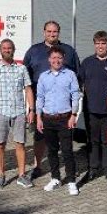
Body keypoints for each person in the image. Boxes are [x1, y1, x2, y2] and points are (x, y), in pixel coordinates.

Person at [24, 20, 80, 180]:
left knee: (65, 142)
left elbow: (77, 74)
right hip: (40, 103)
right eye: (49, 31)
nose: (51, 34)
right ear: (44, 32)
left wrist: (75, 108)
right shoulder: (34, 51)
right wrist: (32, 107)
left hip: (64, 106)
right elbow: (25, 75)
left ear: (59, 33)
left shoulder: (68, 51)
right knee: (39, 136)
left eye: (54, 32)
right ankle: (38, 165)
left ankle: (69, 169)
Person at [0, 39, 35, 189]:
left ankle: (22, 175)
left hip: (19, 112)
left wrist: (31, 109)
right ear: (0, 50)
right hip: (0, 112)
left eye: (9, 48)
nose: (7, 50)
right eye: (4, 48)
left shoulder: (21, 69)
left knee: (20, 144)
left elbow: (28, 90)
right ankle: (1, 175)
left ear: (13, 49)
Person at [79, 31, 107, 184]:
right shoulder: (87, 63)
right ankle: (93, 168)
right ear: (94, 44)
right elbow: (78, 84)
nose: (100, 46)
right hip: (90, 110)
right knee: (92, 141)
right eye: (97, 43)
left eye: (103, 43)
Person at [36, 46, 80, 196]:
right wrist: (38, 117)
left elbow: (75, 94)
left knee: (67, 151)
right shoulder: (43, 76)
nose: (56, 60)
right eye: (54, 58)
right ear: (49, 59)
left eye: (59, 58)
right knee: (52, 151)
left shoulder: (70, 75)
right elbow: (40, 97)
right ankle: (55, 178)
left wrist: (74, 114)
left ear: (63, 59)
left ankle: (71, 180)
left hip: (65, 119)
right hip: (47, 119)